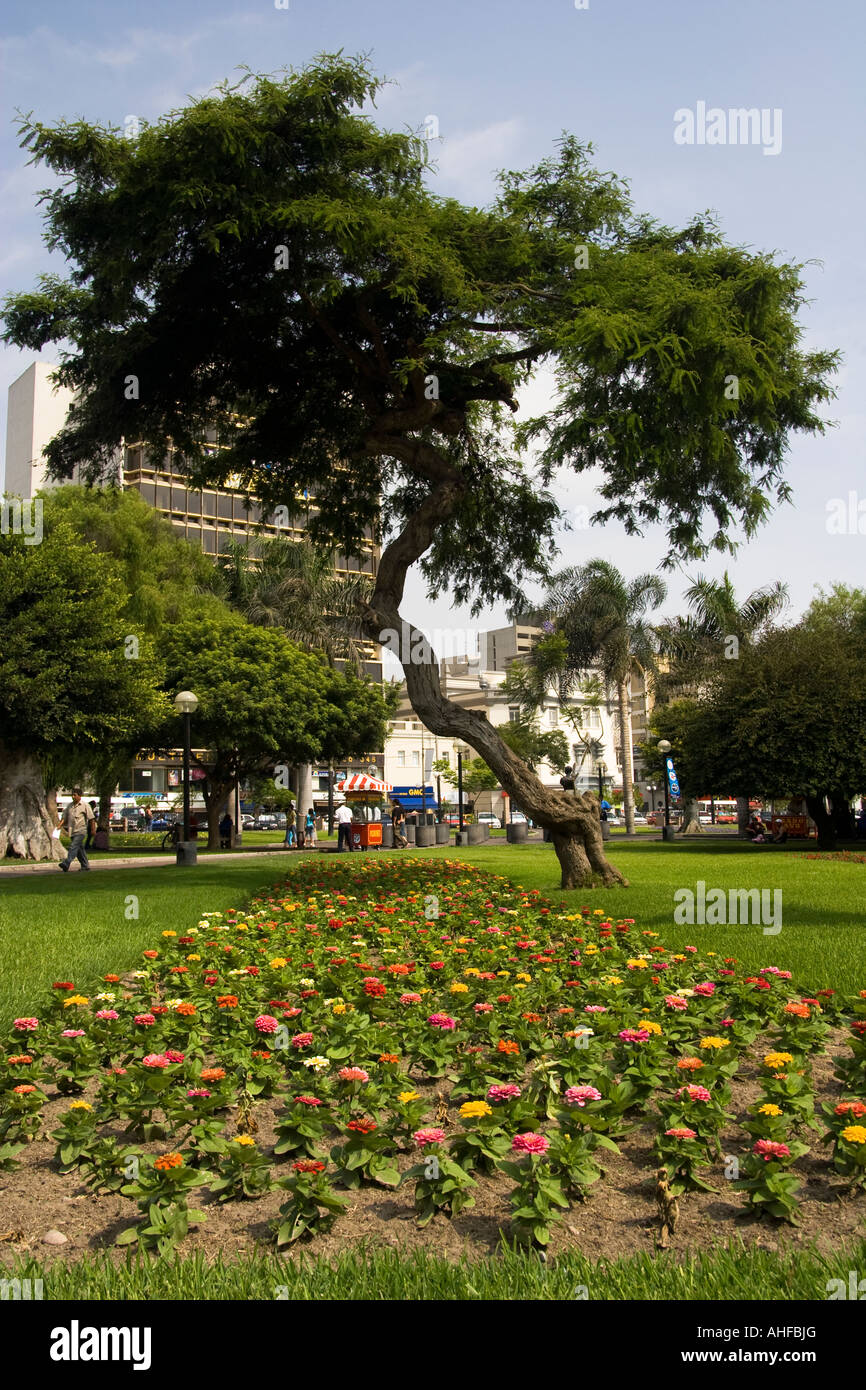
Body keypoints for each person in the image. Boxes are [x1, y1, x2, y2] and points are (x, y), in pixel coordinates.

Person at [58, 788, 97, 872]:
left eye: (75, 795)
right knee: (79, 850)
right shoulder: (70, 806)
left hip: (81, 830)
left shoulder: (85, 805)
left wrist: (93, 829)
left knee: (73, 846)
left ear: (79, 796)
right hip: (72, 831)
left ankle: (66, 863)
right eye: (72, 795)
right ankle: (85, 865)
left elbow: (91, 818)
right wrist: (59, 826)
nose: (73, 797)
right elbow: (64, 817)